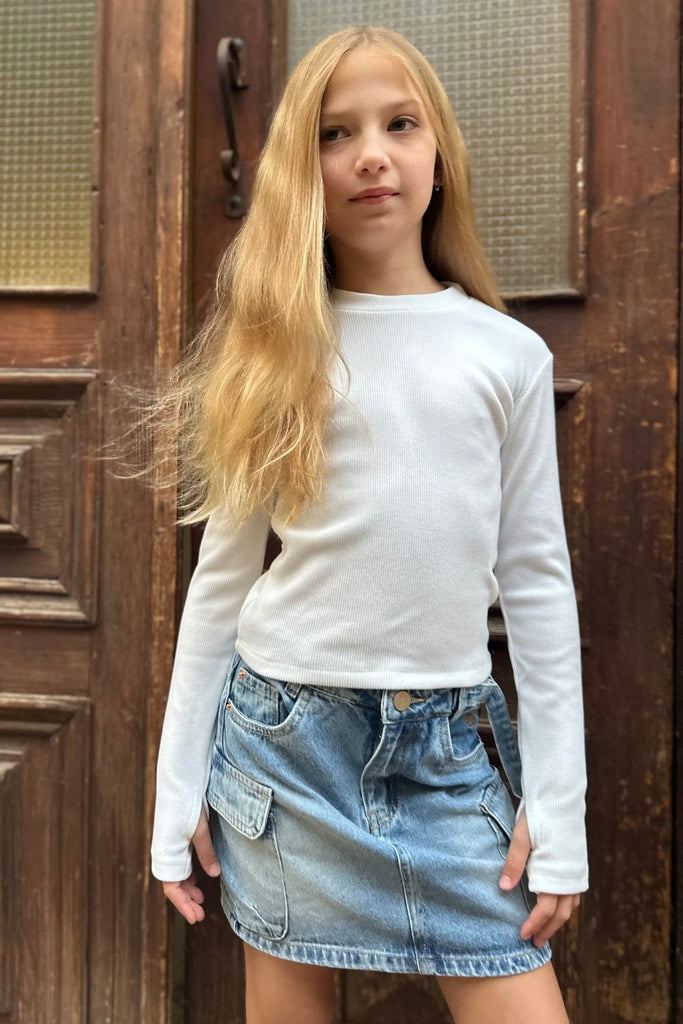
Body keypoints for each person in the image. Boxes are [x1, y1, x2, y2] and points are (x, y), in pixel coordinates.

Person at [150, 24, 588, 1024]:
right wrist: (176, 796)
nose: (370, 155)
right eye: (334, 133)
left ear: (439, 154)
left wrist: (556, 810)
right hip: (284, 750)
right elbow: (219, 584)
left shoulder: (505, 356)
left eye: (398, 124)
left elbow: (535, 585)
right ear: (299, 171)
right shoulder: (272, 352)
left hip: (446, 759)